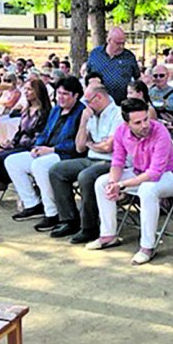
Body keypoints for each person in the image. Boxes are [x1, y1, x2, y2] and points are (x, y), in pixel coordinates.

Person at [90, 98, 173, 265]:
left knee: (147, 190)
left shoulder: (160, 131)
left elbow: (155, 173)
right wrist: (113, 183)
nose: (144, 125)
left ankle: (147, 246)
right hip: (139, 172)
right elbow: (117, 162)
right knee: (102, 183)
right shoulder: (121, 131)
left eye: (146, 119)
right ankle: (108, 234)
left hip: (169, 176)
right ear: (127, 124)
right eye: (138, 122)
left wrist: (122, 185)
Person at [47, 84, 123, 243]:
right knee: (57, 170)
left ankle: (89, 227)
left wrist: (92, 144)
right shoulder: (90, 115)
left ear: (100, 98)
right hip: (90, 158)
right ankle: (69, 220)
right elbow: (79, 146)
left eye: (88, 101)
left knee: (86, 177)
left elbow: (109, 147)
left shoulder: (118, 114)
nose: (86, 105)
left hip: (111, 162)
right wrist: (83, 122)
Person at [5, 77, 85, 225]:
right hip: (47, 151)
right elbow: (45, 132)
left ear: (76, 95)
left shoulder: (81, 112)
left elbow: (77, 143)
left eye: (65, 94)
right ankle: (32, 204)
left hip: (66, 155)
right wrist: (38, 146)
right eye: (58, 93)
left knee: (39, 165)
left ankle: (52, 212)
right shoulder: (55, 110)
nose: (60, 97)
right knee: (12, 161)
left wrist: (52, 149)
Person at [0, 79, 51, 206]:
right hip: (19, 143)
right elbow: (20, 131)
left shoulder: (45, 112)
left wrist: (19, 144)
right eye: (25, 89)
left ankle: (2, 182)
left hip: (30, 146)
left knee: (0, 158)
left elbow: (40, 135)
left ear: (38, 91)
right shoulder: (27, 110)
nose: (26, 92)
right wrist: (10, 143)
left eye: (29, 89)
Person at [86, 26, 141, 104]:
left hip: (121, 102)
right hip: (97, 102)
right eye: (118, 43)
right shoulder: (95, 54)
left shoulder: (129, 56)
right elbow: (87, 74)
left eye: (123, 43)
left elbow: (137, 78)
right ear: (108, 40)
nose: (121, 46)